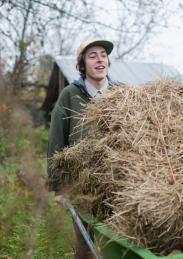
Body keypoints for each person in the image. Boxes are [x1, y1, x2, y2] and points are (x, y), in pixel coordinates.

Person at [47, 38, 120, 259]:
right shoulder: (70, 95)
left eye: (103, 55)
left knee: (118, 244)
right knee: (85, 248)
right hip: (82, 186)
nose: (100, 60)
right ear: (82, 64)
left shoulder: (121, 94)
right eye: (92, 55)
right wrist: (58, 187)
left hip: (118, 183)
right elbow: (56, 141)